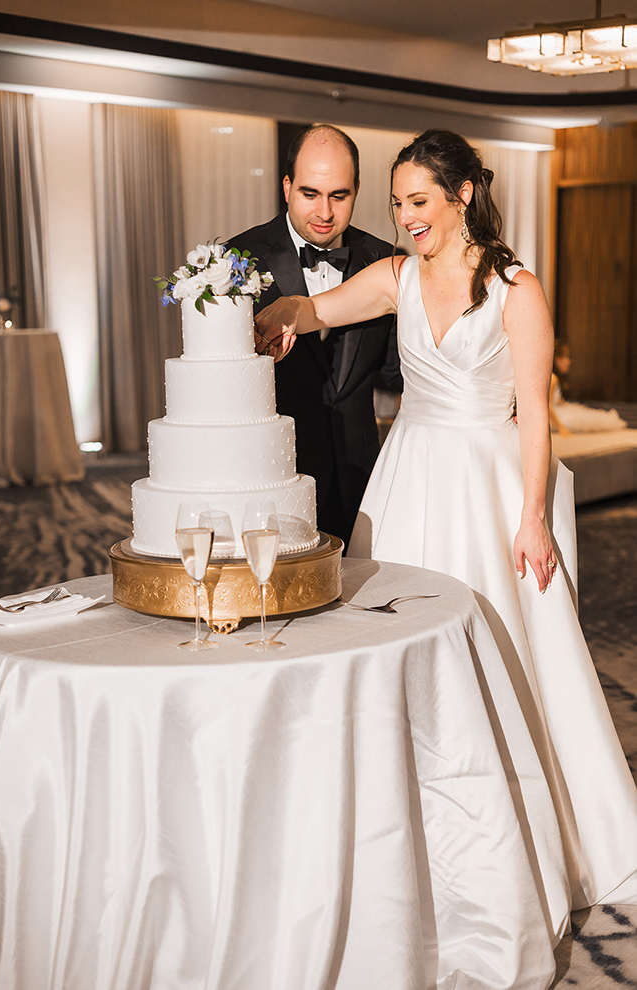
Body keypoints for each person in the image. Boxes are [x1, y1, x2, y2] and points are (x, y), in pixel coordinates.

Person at [256, 129, 637, 989]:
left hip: (488, 488)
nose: (404, 218)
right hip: (408, 484)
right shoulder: (394, 275)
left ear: (463, 195)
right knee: (400, 656)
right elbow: (318, 309)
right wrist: (278, 314)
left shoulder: (516, 289)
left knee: (507, 659)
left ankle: (530, 831)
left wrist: (534, 517)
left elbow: (536, 418)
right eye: (395, 204)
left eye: (418, 202)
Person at [227, 124, 401, 547]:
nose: (324, 212)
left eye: (339, 196)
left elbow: (399, 374)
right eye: (310, 194)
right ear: (287, 187)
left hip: (361, 473)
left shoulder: (387, 261)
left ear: (357, 189)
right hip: (272, 472)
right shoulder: (235, 260)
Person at [550, 340, 628, 435]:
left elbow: (559, 402)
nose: (569, 361)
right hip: (553, 416)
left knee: (584, 413)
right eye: (566, 357)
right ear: (557, 360)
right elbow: (547, 406)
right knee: (584, 419)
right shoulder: (552, 379)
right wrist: (560, 427)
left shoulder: (555, 378)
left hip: (558, 410)